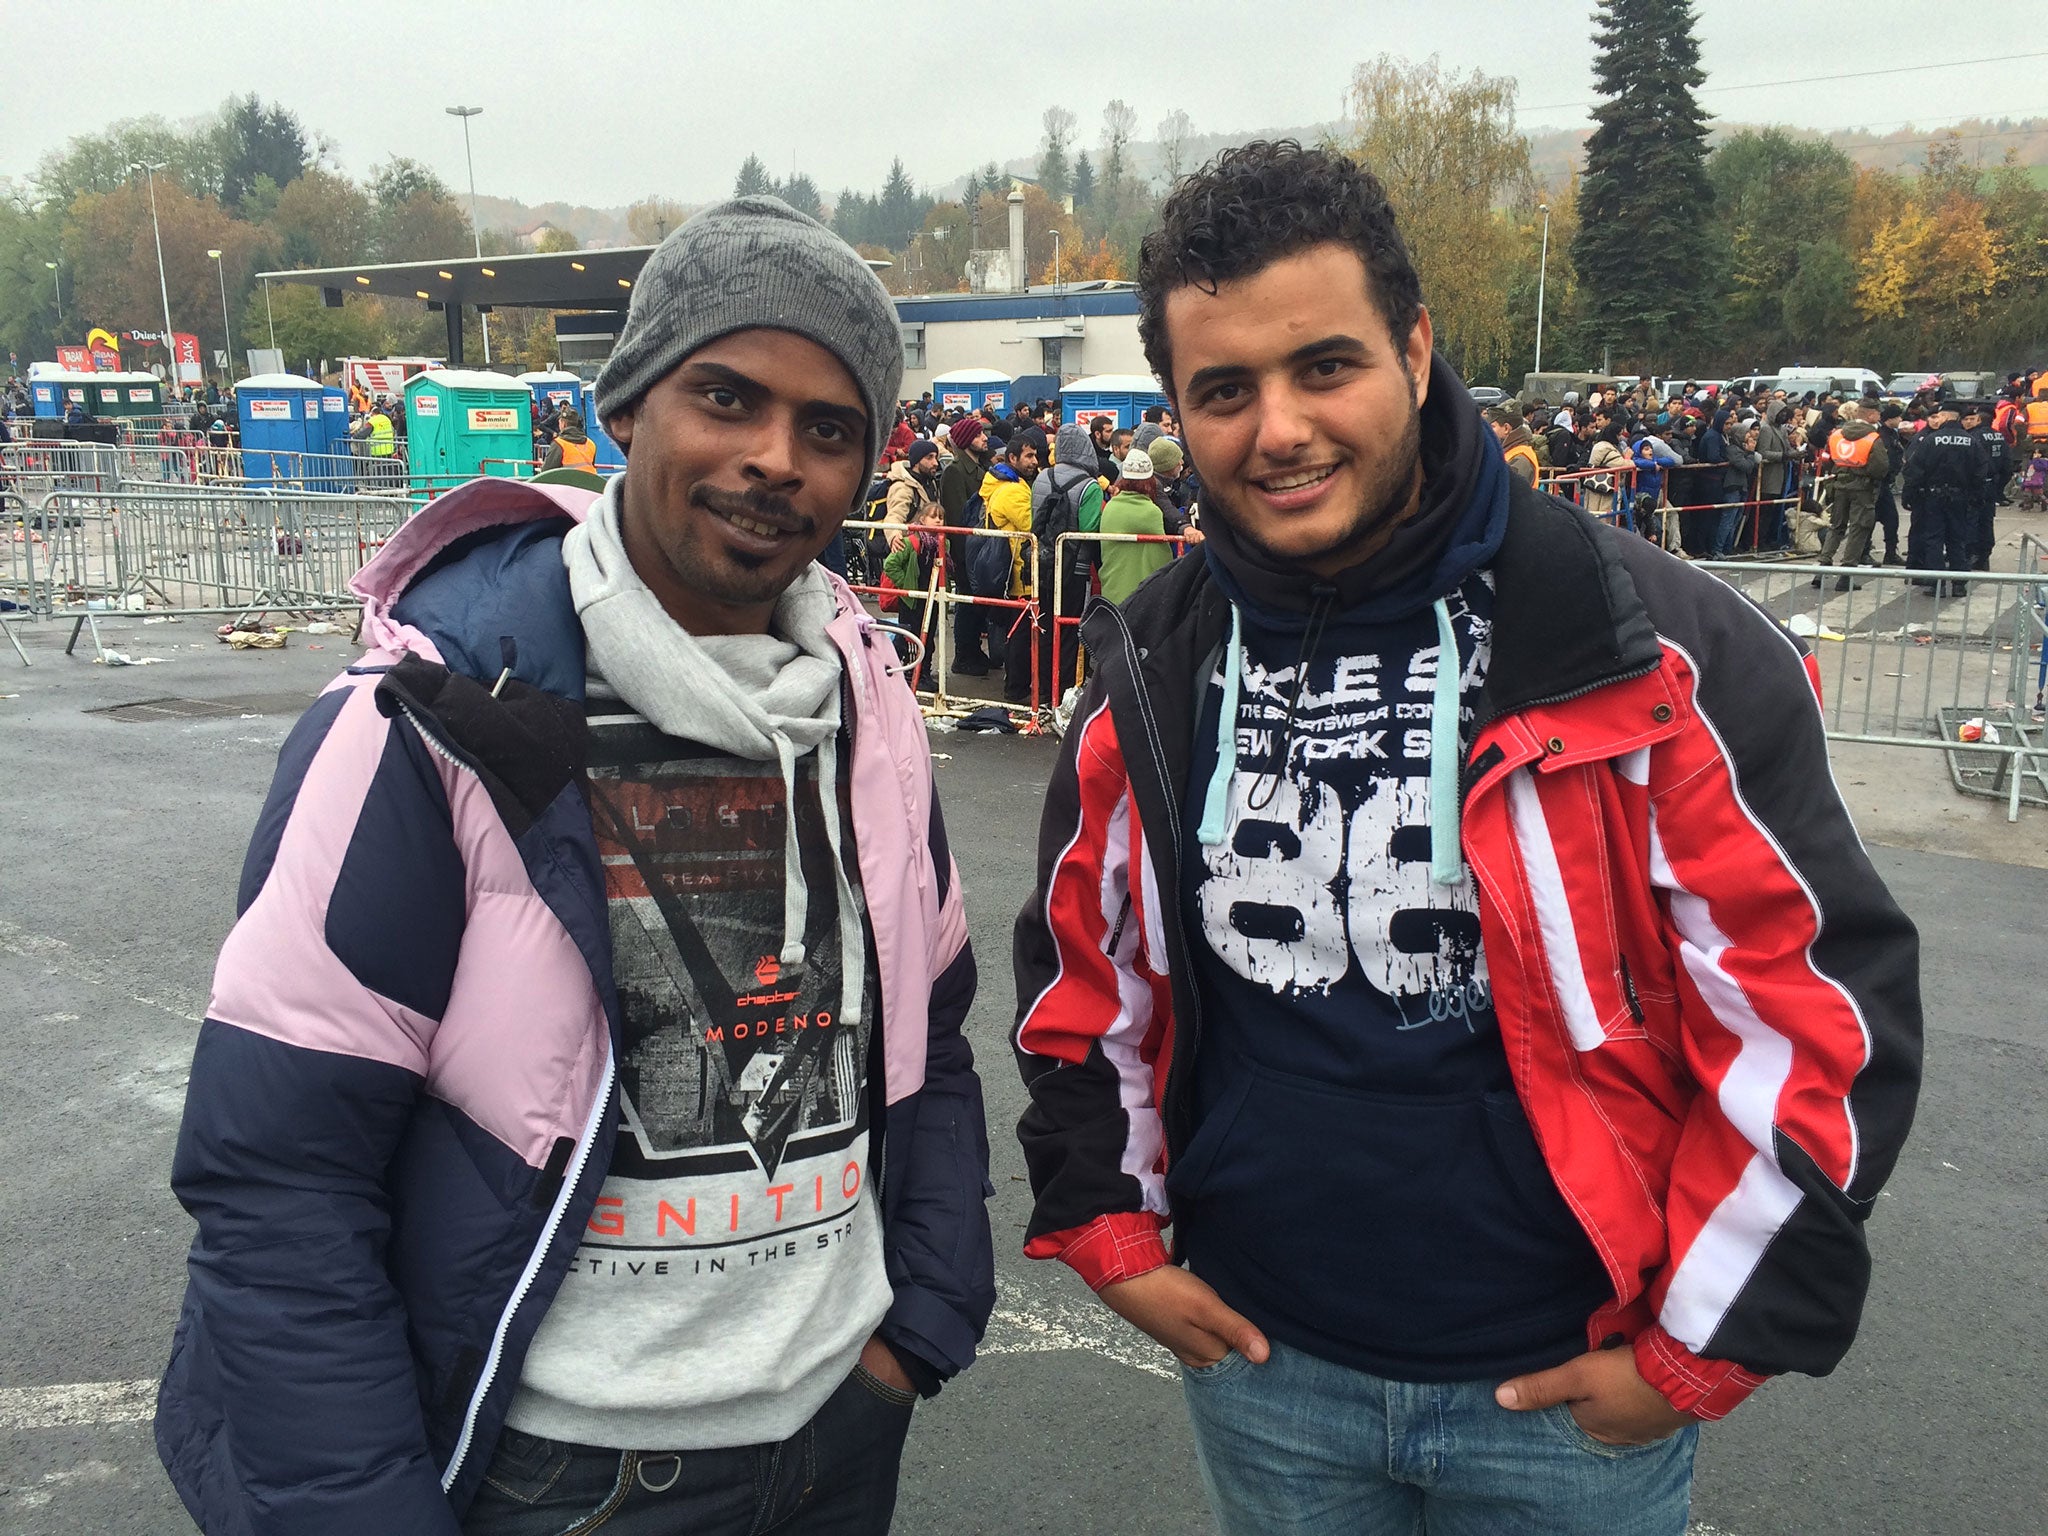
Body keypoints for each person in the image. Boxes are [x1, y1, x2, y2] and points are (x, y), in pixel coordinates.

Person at [1011, 141, 1920, 1536]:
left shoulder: (1660, 647)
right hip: (1264, 1370)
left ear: (1418, 349)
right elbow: (1088, 972)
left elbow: (1814, 1010)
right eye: (1225, 391)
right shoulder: (1155, 658)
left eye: (1327, 366)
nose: (1281, 429)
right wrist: (1111, 1230)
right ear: (1179, 413)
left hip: (1569, 1397)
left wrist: (1698, 1352)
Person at [155, 196, 995, 1536]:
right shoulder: (436, 715)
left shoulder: (869, 707)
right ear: (626, 406)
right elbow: (281, 1174)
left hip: (835, 1435)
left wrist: (921, 1327)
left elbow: (932, 1044)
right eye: (727, 395)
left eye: (829, 429)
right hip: (563, 1478)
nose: (776, 459)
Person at [1030, 422, 1105, 699]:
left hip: (1041, 563)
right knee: (1071, 628)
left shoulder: (1041, 478)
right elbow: (1089, 531)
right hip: (1075, 568)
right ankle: (1064, 692)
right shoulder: (1090, 486)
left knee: (1043, 625)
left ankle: (1040, 687)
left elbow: (1033, 520)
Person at [1903, 397, 1986, 594]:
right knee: (1957, 539)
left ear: (1947, 416)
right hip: (1960, 497)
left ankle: (1936, 583)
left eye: (1939, 415)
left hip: (1934, 496)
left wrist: (1911, 493)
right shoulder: (1971, 441)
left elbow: (1915, 469)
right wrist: (1976, 495)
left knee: (1934, 539)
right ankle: (1959, 584)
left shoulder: (1931, 440)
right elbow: (1982, 471)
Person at [981, 433, 1040, 704]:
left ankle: (1016, 685)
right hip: (1019, 571)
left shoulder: (1005, 484)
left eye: (1035, 455)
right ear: (1012, 458)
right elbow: (1031, 525)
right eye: (1028, 456)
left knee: (1017, 630)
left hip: (1014, 568)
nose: (1034, 461)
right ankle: (1017, 689)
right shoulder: (1013, 490)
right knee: (1021, 633)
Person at [939, 415, 1000, 674]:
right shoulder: (954, 471)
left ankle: (973, 651)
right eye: (977, 435)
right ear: (965, 441)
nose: (984, 438)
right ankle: (963, 656)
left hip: (979, 548)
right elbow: (956, 516)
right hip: (967, 550)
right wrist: (964, 557)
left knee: (977, 605)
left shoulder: (981, 469)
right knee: (966, 603)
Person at [1815, 402, 1889, 590]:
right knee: (1858, 529)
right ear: (1870, 415)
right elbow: (1880, 468)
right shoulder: (1873, 438)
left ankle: (1822, 568)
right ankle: (1846, 575)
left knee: (1836, 526)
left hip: (1839, 484)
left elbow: (1825, 458)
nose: (1879, 416)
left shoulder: (1837, 434)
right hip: (1863, 488)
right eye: (1877, 413)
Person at [1096, 445, 1174, 605]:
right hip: (1140, 598)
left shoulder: (1111, 507)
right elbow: (1162, 557)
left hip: (1112, 591)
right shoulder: (1151, 512)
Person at [1961, 401, 2006, 570]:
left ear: (1979, 419)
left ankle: (1972, 555)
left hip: (1975, 485)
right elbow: (2007, 464)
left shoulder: (1973, 437)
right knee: (1987, 521)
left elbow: (1970, 464)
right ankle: (1984, 556)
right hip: (1992, 484)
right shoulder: (1999, 436)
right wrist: (1999, 486)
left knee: (1972, 520)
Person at [1712, 420, 1761, 558]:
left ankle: (1729, 547)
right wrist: (1750, 453)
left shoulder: (1742, 449)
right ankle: (1718, 549)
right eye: (1746, 433)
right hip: (1732, 487)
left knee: (1736, 519)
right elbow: (1746, 466)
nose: (1748, 435)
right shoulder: (1732, 449)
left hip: (1742, 487)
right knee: (1727, 520)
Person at [1484, 402, 1540, 487]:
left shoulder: (1521, 458)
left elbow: (1507, 493)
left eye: (1492, 427)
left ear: (1506, 428)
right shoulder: (1510, 452)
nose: (1488, 432)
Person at [541, 406, 597, 472]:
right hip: (590, 481)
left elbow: (547, 472)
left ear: (563, 424)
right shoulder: (590, 443)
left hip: (568, 481)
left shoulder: (559, 444)